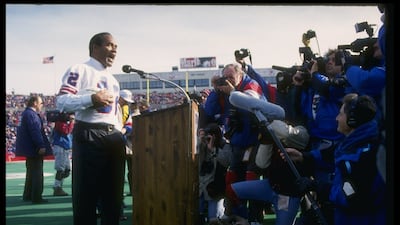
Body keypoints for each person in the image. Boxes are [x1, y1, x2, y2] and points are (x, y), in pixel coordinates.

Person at [55, 32, 126, 225]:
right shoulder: (80, 69)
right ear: (95, 46)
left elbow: (115, 114)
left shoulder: (113, 80)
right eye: (110, 45)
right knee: (86, 198)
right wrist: (91, 99)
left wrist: (121, 133)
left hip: (114, 137)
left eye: (116, 47)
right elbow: (61, 102)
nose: (115, 50)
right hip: (90, 133)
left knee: (113, 199)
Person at [285, 93, 386, 225]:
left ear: (352, 120)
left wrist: (317, 187)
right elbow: (330, 155)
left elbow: (352, 197)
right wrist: (303, 157)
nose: (337, 118)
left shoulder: (366, 154)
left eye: (341, 114)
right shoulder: (353, 143)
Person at [213, 63, 266, 224]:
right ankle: (235, 214)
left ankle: (255, 218)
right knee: (232, 178)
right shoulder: (225, 89)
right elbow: (210, 110)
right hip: (238, 141)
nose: (228, 80)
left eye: (231, 77)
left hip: (256, 140)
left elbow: (252, 104)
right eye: (225, 77)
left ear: (240, 75)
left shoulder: (251, 84)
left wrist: (233, 93)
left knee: (252, 180)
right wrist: (216, 91)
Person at [15, 95, 53, 204]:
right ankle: (36, 197)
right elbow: (35, 131)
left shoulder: (26, 113)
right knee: (37, 173)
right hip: (34, 149)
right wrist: (41, 145)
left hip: (28, 149)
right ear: (35, 103)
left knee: (31, 172)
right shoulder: (32, 115)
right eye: (41, 103)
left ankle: (28, 195)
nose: (42, 105)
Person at [197, 123, 228, 225]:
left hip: (215, 186)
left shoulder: (224, 145)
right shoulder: (201, 145)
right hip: (201, 184)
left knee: (214, 218)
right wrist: (201, 142)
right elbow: (198, 162)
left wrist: (213, 150)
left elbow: (226, 161)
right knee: (199, 213)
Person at [51, 112, 75, 196]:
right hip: (60, 146)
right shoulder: (59, 123)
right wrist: (72, 122)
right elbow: (66, 131)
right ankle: (57, 187)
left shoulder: (63, 123)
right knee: (60, 169)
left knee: (67, 170)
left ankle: (57, 184)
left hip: (65, 147)